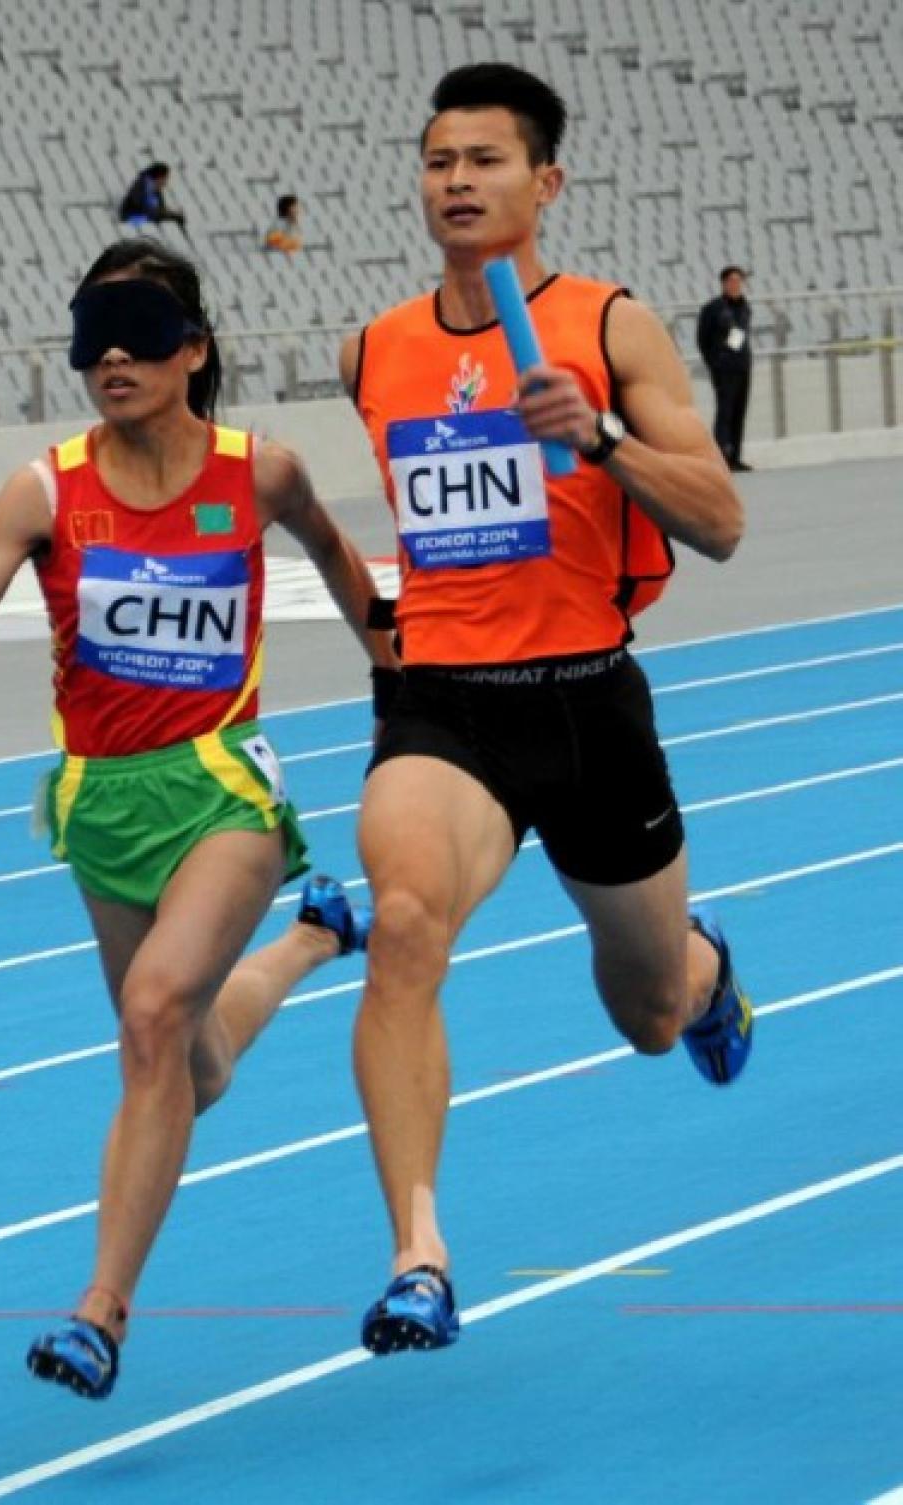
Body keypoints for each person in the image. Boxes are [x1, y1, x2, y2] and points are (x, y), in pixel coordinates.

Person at [0, 237, 393, 1400]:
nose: (112, 355)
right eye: (93, 334)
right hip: (101, 802)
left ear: (193, 350)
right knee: (195, 1058)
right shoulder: (42, 488)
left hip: (223, 781)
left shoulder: (256, 472)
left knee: (154, 1010)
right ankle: (314, 939)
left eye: (138, 331)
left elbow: (337, 560)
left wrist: (405, 677)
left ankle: (101, 1308)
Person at [338, 62, 753, 1357]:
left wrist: (602, 443)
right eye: (438, 160)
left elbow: (723, 523)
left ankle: (707, 968)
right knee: (403, 922)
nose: (457, 182)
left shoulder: (609, 325)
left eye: (485, 161)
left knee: (649, 1017)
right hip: (450, 711)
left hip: (589, 705)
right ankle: (420, 1253)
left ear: (546, 182)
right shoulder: (376, 347)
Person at [696, 266, 754, 471]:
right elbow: (702, 339)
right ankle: (721, 457)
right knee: (725, 411)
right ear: (724, 284)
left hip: (742, 365)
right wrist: (715, 362)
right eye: (732, 281)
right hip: (723, 368)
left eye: (739, 281)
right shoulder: (713, 309)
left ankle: (736, 455)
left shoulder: (745, 308)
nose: (736, 285)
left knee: (739, 410)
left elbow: (742, 336)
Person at [118, 161, 186, 230]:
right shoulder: (142, 186)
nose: (165, 182)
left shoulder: (155, 190)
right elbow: (142, 207)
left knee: (176, 219)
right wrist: (168, 214)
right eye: (165, 179)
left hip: (144, 217)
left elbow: (159, 209)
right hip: (132, 218)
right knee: (171, 220)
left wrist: (171, 213)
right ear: (159, 177)